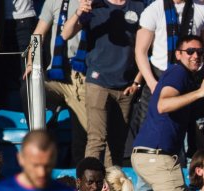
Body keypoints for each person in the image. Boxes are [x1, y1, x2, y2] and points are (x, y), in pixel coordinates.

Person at [133, 35, 204, 191]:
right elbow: (163, 104)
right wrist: (200, 92)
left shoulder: (186, 79)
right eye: (190, 51)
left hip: (150, 155)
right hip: (158, 157)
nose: (196, 55)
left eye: (199, 51)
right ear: (178, 54)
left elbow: (189, 127)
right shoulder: (178, 73)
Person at [61, 0, 145, 167]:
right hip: (98, 83)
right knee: (96, 140)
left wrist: (137, 81)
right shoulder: (95, 5)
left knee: (118, 145)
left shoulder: (138, 7)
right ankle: (87, 185)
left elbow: (145, 48)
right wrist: (79, 13)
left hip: (126, 86)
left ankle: (111, 189)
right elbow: (65, 34)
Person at [132, 0, 204, 151]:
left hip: (191, 75)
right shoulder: (154, 9)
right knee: (153, 130)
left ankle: (188, 169)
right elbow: (140, 51)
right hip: (159, 75)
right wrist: (152, 83)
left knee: (192, 129)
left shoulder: (202, 9)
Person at [24, 0, 88, 163]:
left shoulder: (97, 3)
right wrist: (32, 63)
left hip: (82, 74)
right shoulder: (54, 1)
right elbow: (38, 34)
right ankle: (39, 138)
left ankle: (78, 173)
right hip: (56, 72)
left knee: (83, 133)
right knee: (29, 87)